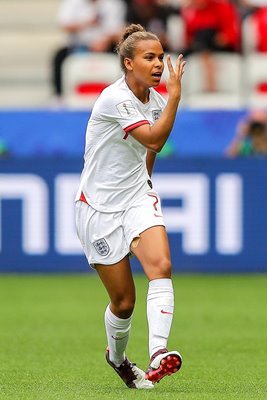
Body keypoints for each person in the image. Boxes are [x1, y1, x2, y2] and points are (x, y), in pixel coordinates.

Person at [75, 23, 185, 389]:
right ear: (127, 63)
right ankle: (118, 358)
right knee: (124, 303)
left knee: (162, 265)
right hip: (98, 208)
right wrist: (175, 98)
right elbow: (153, 136)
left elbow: (149, 150)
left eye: (160, 56)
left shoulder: (154, 101)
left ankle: (158, 353)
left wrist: (146, 185)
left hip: (137, 197)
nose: (158, 64)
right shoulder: (114, 99)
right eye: (149, 57)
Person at [51, 0, 126, 100]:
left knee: (125, 57)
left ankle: (123, 93)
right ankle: (59, 96)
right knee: (60, 56)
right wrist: (86, 24)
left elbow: (116, 29)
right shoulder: (73, 3)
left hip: (106, 45)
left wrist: (104, 41)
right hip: (79, 44)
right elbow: (65, 24)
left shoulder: (113, 4)